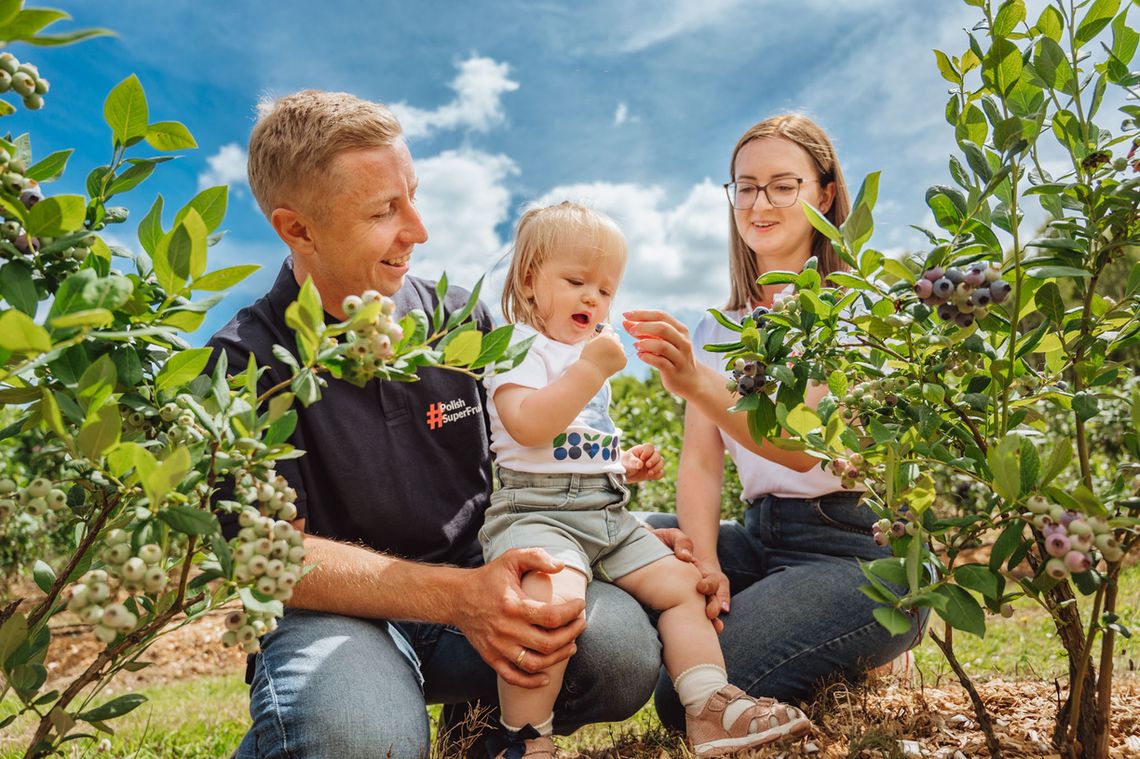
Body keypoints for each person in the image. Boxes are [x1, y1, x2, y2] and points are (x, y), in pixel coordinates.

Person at [208, 90, 694, 759]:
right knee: (358, 739)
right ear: (298, 229)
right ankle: (326, 720)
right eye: (385, 210)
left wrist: (627, 530)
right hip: (340, 616)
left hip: (484, 575)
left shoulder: (460, 321)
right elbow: (271, 556)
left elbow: (526, 457)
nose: (420, 229)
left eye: (414, 194)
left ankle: (484, 734)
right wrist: (456, 596)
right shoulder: (243, 361)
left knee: (617, 652)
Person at [623, 114, 925, 730]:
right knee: (622, 537)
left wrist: (699, 383)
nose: (760, 203)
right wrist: (704, 565)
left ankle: (863, 648)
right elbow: (702, 465)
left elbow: (809, 451)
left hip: (854, 550)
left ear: (825, 193)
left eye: (784, 186)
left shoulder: (859, 309)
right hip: (761, 537)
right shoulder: (716, 328)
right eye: (746, 186)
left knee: (682, 704)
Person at [481, 202, 812, 758]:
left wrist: (620, 463)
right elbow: (528, 425)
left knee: (684, 587)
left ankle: (709, 708)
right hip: (535, 513)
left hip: (607, 512)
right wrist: (592, 370)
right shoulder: (516, 346)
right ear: (530, 280)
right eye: (578, 281)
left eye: (607, 289)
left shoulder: (589, 355)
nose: (594, 298)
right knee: (549, 602)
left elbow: (572, 441)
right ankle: (526, 738)